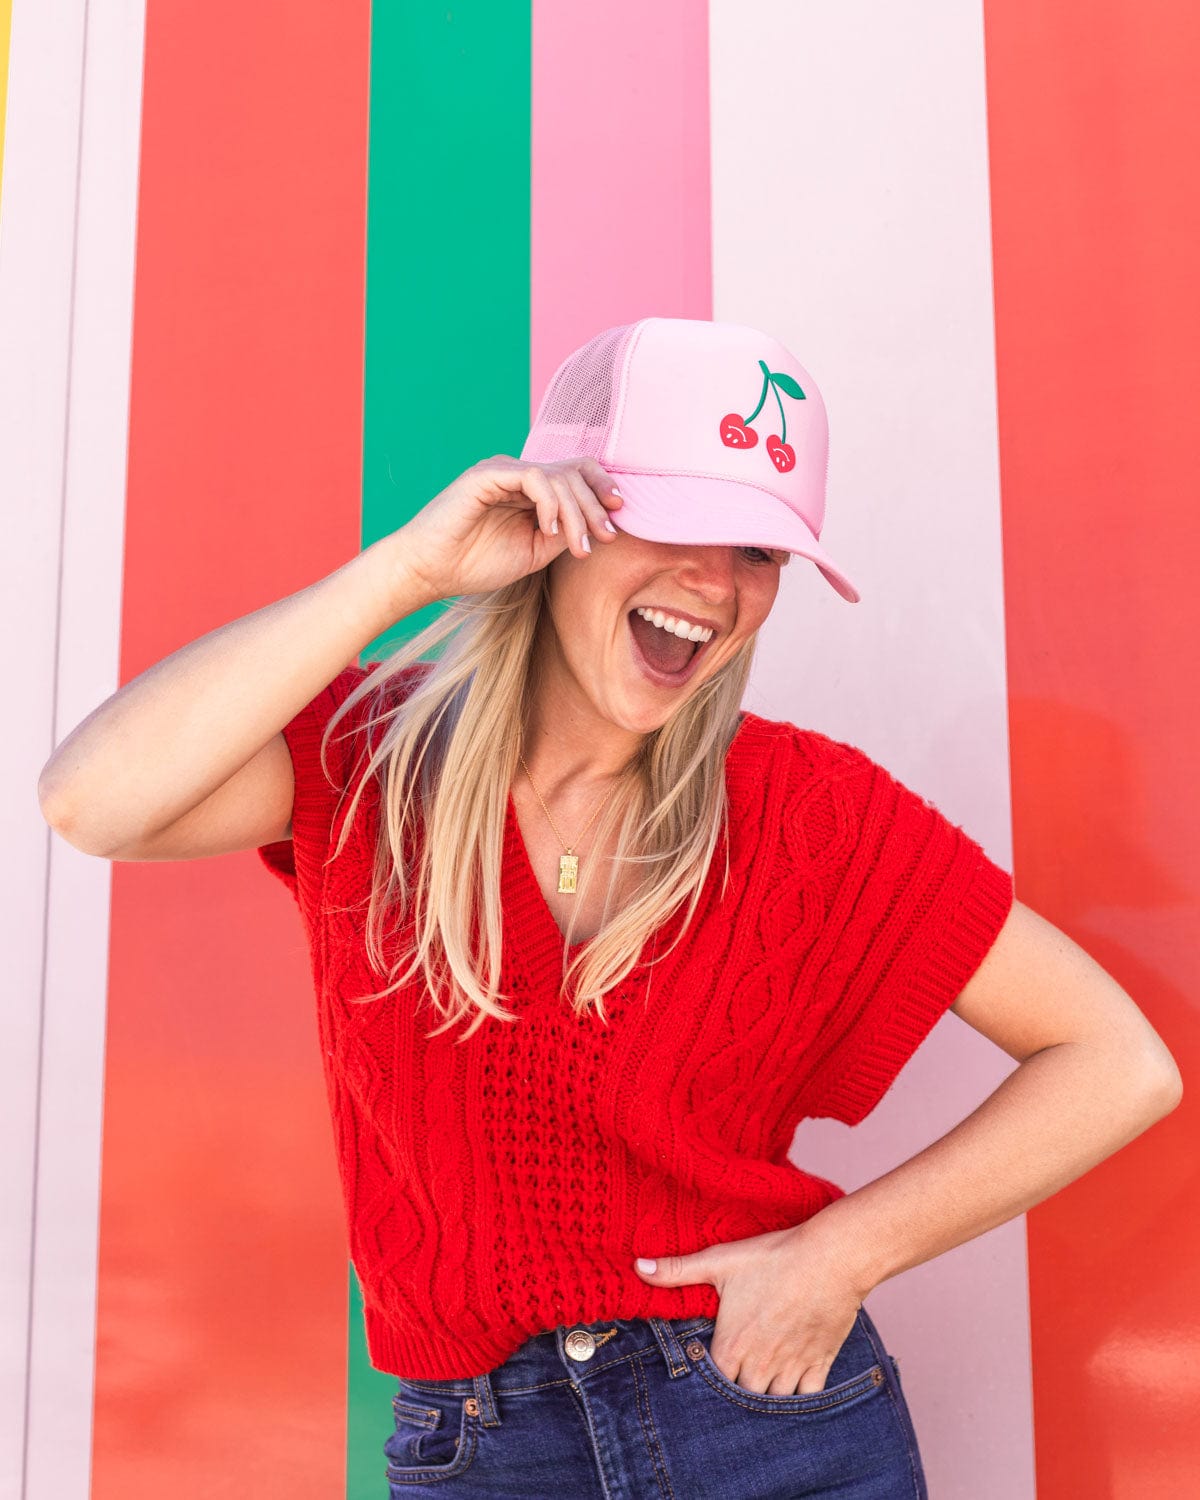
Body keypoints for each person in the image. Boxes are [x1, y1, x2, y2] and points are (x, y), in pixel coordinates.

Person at [39, 317, 1182, 1499]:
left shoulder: (808, 810)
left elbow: (1117, 1062)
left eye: (760, 553)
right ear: (556, 520)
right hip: (481, 1449)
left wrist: (842, 1254)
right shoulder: (373, 764)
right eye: (679, 523)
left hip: (773, 1420)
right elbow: (91, 801)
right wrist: (409, 572)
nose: (718, 588)